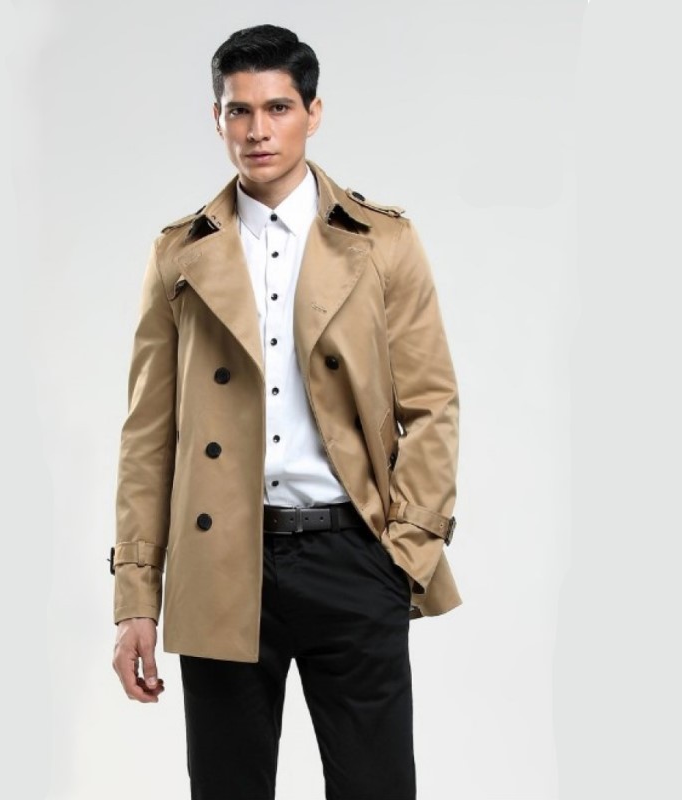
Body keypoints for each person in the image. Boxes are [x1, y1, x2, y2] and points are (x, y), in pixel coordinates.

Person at [110, 23, 462, 800]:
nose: (257, 130)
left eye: (277, 108)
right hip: (219, 563)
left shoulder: (383, 244)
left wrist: (404, 555)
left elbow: (432, 405)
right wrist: (136, 597)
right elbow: (147, 437)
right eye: (239, 110)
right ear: (217, 119)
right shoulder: (178, 255)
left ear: (313, 112)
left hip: (353, 557)